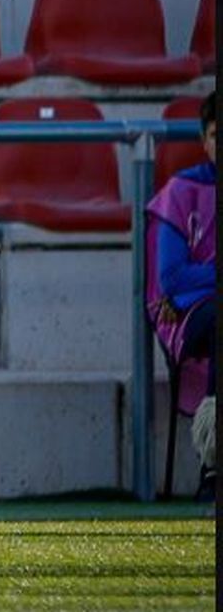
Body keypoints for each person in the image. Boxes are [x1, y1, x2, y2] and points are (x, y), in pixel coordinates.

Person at [147, 92, 215, 500]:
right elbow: (171, 279)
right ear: (204, 141)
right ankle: (213, 464)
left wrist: (204, 278)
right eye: (214, 135)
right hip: (190, 316)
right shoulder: (182, 190)